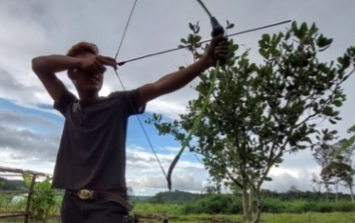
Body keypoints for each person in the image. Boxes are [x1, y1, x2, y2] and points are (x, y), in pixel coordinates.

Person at [32, 35, 229, 223]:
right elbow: (38, 65)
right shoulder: (69, 105)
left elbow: (158, 86)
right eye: (89, 67)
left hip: (107, 208)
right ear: (72, 73)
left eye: (99, 68)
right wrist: (77, 62)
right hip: (71, 206)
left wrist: (205, 62)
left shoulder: (117, 103)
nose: (96, 72)